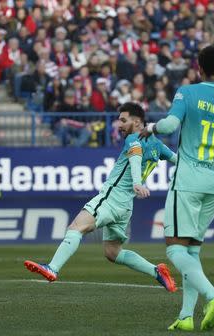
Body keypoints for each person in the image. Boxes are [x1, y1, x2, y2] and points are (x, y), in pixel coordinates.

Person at [139, 45, 214, 331]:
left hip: (187, 178)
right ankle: (186, 316)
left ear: (198, 67)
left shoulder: (187, 93)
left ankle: (213, 295)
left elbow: (170, 124)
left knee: (175, 250)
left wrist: (150, 128)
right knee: (192, 252)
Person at [24, 102, 178, 293]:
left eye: (123, 120)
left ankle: (52, 268)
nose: (118, 125)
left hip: (111, 198)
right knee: (112, 252)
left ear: (138, 122)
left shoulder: (133, 138)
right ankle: (157, 272)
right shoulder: (157, 145)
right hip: (126, 206)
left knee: (75, 228)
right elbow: (178, 161)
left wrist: (137, 182)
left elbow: (136, 158)